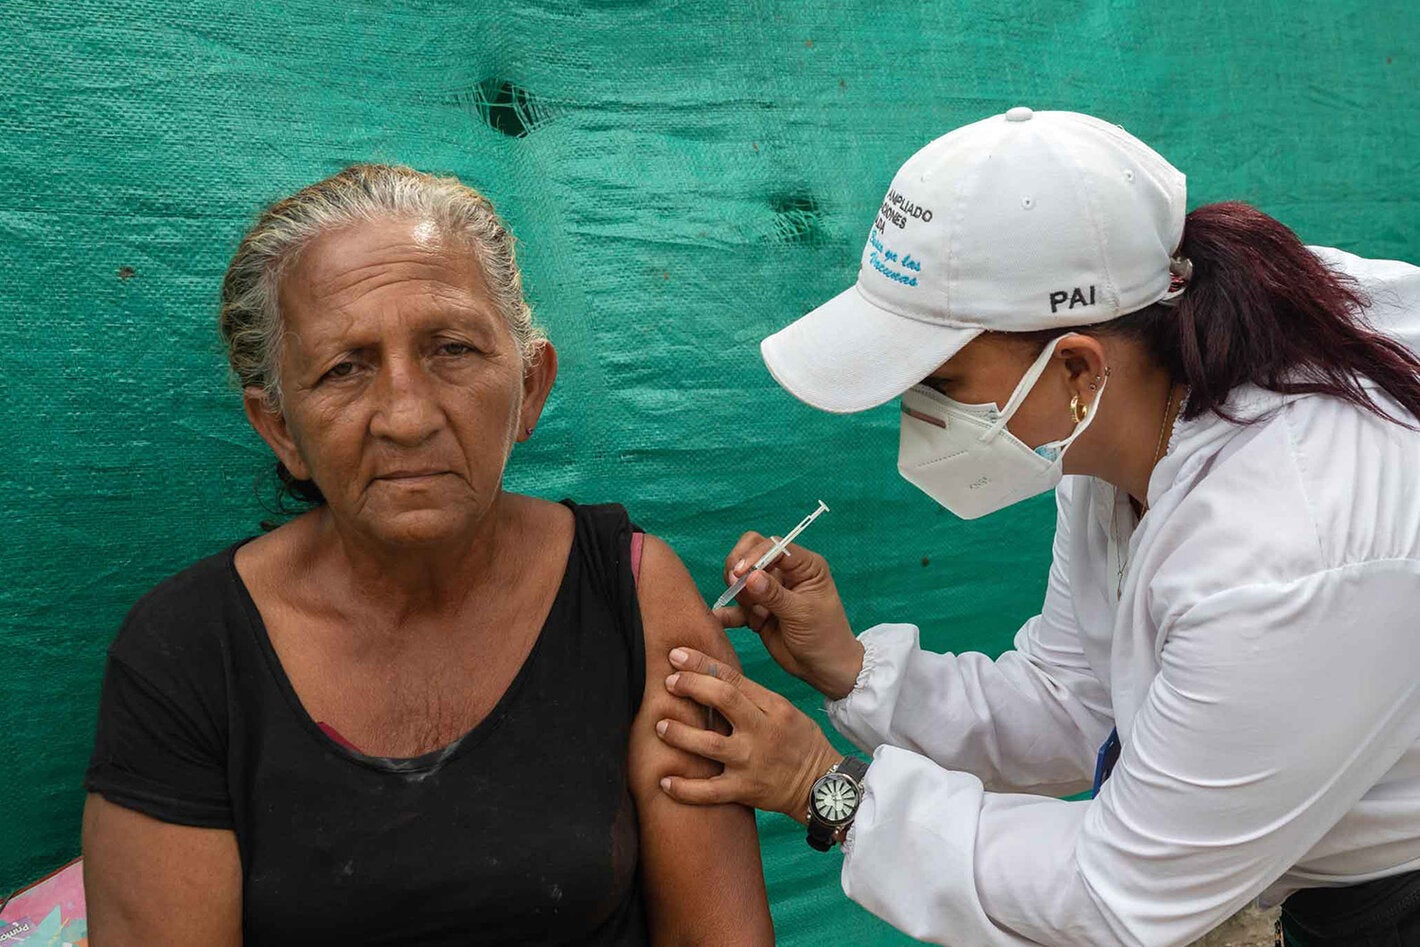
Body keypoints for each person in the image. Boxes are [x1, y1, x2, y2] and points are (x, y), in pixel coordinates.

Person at [653, 108, 1420, 946]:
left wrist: (823, 787)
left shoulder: (1284, 549)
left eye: (940, 378)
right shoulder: (1124, 417)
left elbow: (1118, 894)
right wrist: (849, 668)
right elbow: (1076, 698)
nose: (917, 414)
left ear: (1078, 365)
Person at [80, 164, 774, 946]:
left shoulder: (636, 596)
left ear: (531, 386)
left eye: (451, 348)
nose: (406, 417)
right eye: (345, 368)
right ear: (280, 428)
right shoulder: (186, 654)